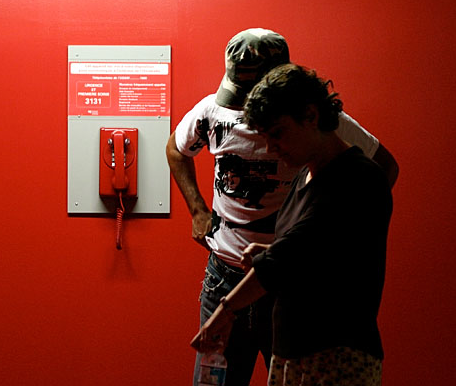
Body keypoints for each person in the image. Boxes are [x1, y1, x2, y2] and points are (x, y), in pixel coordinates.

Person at [166, 29, 398, 386]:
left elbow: (291, 255)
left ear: (308, 115)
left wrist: (339, 233)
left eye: (277, 133)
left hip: (297, 300)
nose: (272, 148)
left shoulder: (342, 164)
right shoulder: (214, 114)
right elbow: (177, 149)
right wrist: (198, 210)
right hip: (228, 275)